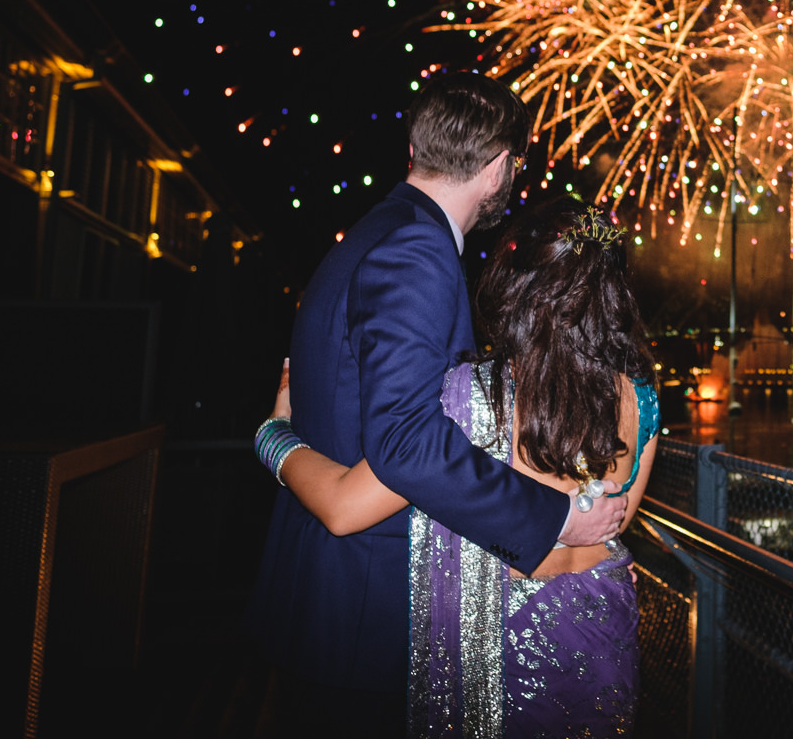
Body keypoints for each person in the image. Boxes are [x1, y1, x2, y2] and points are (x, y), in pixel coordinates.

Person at [246, 74, 628, 736]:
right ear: (501, 166)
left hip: (332, 600)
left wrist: (275, 435)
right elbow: (406, 442)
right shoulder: (418, 251)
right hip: (365, 607)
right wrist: (556, 519)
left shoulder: (371, 234)